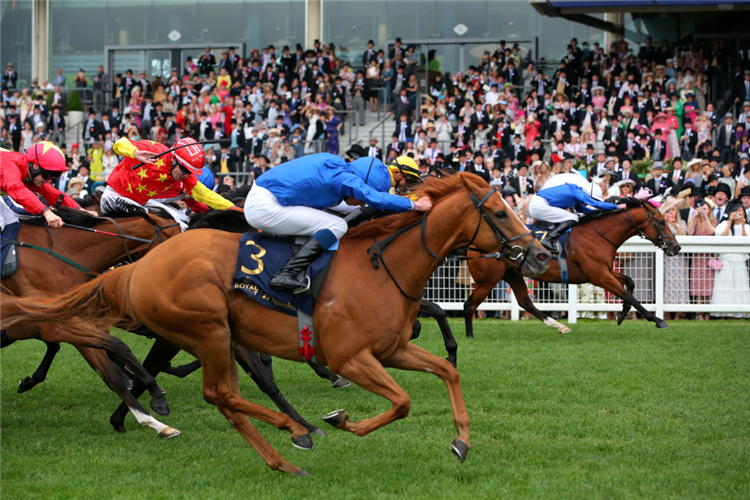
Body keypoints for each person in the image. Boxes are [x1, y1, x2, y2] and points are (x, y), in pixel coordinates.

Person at [243, 154, 432, 292]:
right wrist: (414, 204)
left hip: (263, 197)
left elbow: (348, 206)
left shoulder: (337, 164)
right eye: (359, 197)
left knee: (328, 220)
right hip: (264, 207)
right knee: (337, 225)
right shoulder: (345, 178)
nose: (360, 203)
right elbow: (374, 198)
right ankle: (286, 274)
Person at [101, 137, 235, 229]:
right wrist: (134, 152)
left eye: (190, 172)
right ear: (173, 160)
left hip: (140, 202)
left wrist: (236, 210)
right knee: (176, 224)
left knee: (184, 221)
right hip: (114, 197)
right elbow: (119, 143)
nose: (186, 175)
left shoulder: (185, 180)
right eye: (184, 170)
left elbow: (207, 197)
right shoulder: (154, 150)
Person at [0, 142, 96, 230]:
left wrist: (82, 211)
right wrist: (46, 212)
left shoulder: (30, 170)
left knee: (12, 224)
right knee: (3, 222)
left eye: (54, 176)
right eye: (48, 174)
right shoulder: (9, 166)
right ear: (35, 166)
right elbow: (17, 189)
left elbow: (54, 194)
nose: (49, 180)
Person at [529, 173, 625, 252]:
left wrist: (599, 214)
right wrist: (616, 206)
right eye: (590, 199)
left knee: (572, 217)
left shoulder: (577, 195)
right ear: (588, 195)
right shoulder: (578, 192)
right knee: (573, 218)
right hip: (539, 205)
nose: (588, 203)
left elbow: (583, 210)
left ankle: (554, 239)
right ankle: (548, 239)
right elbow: (595, 204)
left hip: (539, 205)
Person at [710, 200, 750, 318]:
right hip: (726, 258)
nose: (739, 213)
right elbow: (723, 237)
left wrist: (742, 224)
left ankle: (741, 312)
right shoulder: (723, 224)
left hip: (739, 259)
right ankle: (725, 312)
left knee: (740, 283)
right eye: (736, 211)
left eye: (741, 211)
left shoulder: (747, 226)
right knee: (725, 283)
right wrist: (730, 221)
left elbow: (745, 241)